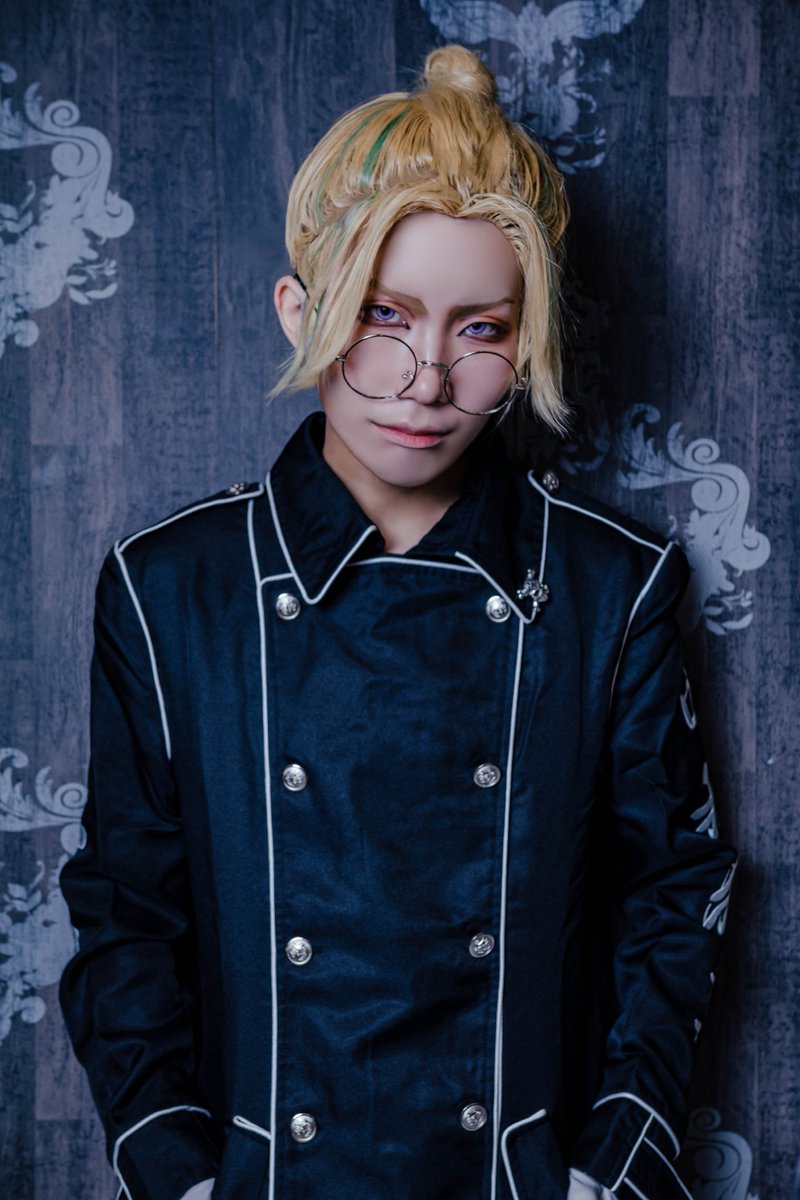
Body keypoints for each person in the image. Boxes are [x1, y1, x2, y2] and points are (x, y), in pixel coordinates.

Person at [59, 44, 737, 1200]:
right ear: (300, 310)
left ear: (524, 342)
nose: (425, 377)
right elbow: (125, 913)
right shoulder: (168, 587)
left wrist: (606, 1168)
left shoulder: (610, 586)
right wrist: (176, 1172)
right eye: (383, 314)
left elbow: (673, 892)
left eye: (480, 329)